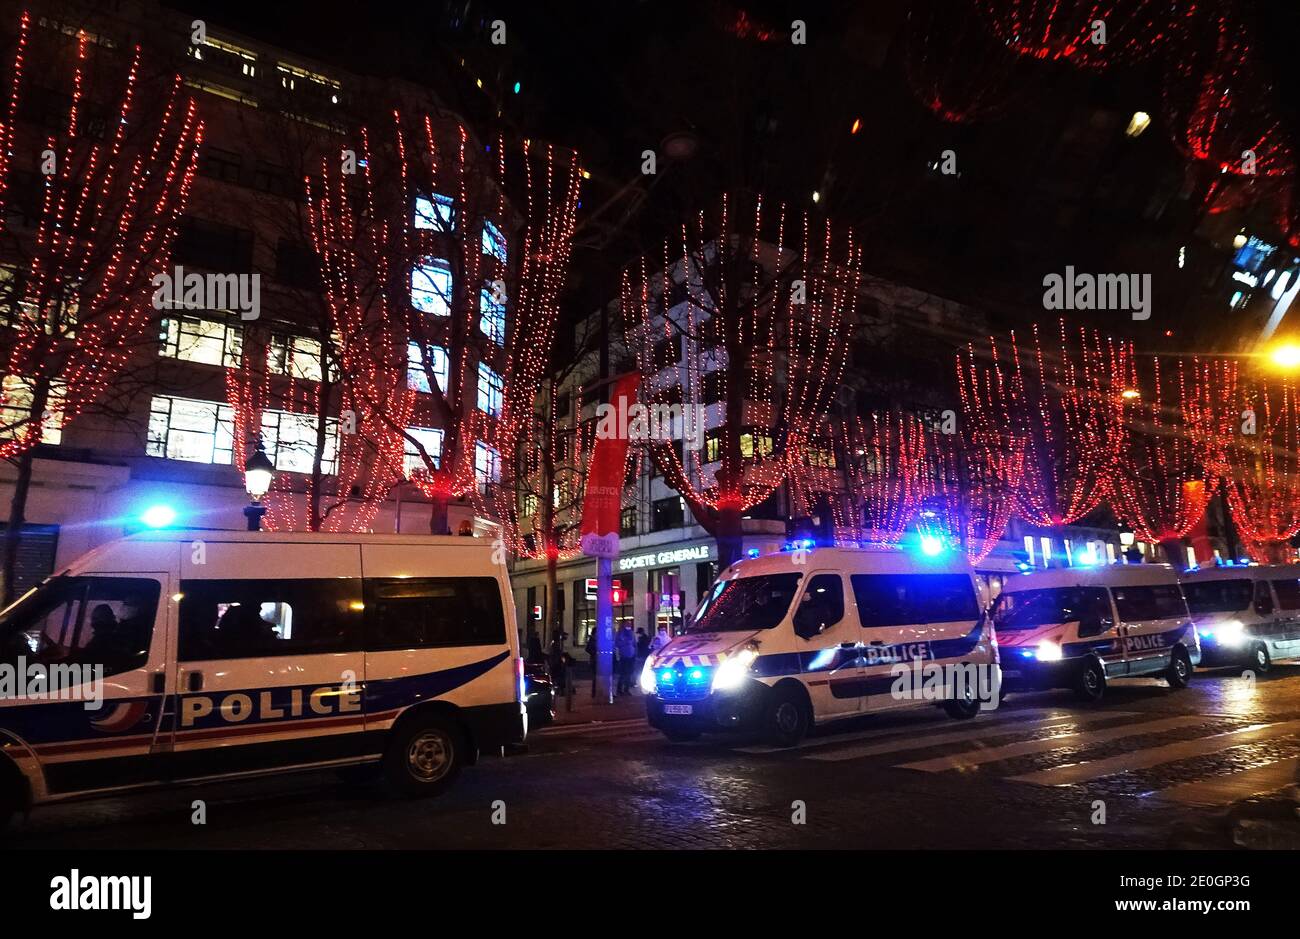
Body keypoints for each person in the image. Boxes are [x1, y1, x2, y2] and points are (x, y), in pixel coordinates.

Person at [615, 623, 637, 695]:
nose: (628, 627)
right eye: (627, 626)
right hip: (623, 656)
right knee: (623, 674)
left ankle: (626, 689)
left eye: (629, 626)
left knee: (629, 674)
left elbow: (634, 644)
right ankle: (620, 689)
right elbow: (617, 644)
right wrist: (625, 643)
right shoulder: (620, 633)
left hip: (630, 656)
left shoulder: (632, 633)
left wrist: (634, 653)